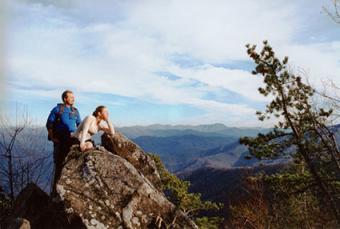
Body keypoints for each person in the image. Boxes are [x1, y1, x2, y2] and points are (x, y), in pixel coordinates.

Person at [46, 90, 81, 196]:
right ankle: (55, 192)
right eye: (71, 97)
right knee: (59, 163)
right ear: (65, 99)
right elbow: (49, 124)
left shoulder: (75, 111)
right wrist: (52, 138)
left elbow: (79, 125)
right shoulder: (58, 109)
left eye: (73, 97)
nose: (73, 99)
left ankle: (69, 190)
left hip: (72, 139)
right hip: (60, 140)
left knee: (72, 162)